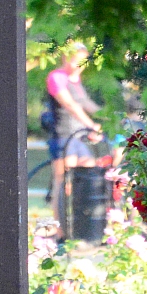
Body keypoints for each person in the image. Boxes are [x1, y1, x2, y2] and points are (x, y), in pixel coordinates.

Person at [44, 44, 104, 238]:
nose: (79, 65)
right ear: (65, 58)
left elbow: (86, 104)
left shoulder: (75, 81)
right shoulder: (56, 77)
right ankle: (61, 231)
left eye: (82, 62)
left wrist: (112, 118)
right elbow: (70, 105)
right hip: (63, 137)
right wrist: (91, 125)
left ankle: (85, 227)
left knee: (90, 175)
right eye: (75, 60)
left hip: (78, 137)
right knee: (63, 182)